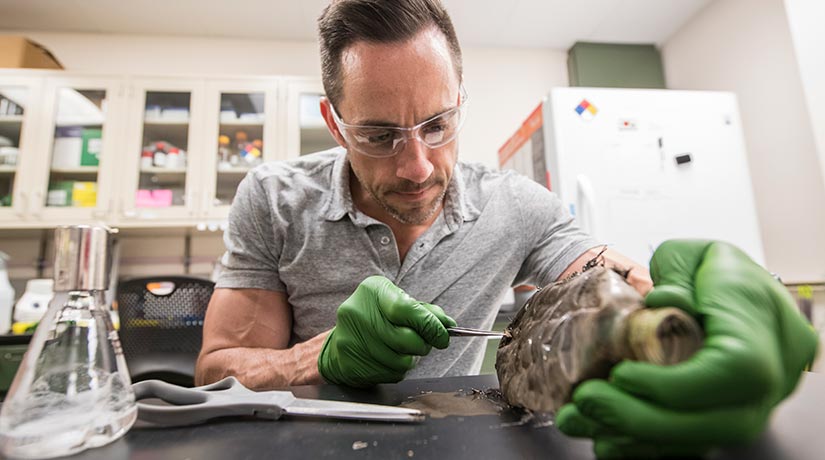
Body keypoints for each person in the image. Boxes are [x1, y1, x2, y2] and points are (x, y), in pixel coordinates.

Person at [196, 1, 817, 456]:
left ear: (460, 100)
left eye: (437, 124)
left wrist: (717, 308)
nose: (415, 166)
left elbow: (613, 279)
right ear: (335, 123)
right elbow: (213, 372)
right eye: (379, 135)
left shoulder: (518, 206)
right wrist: (317, 356)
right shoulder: (273, 200)